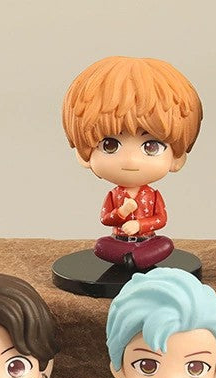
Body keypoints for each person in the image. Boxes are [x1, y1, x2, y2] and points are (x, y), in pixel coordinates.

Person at [62, 56, 203, 269]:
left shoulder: (152, 195)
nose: (130, 160)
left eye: (151, 146)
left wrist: (140, 224)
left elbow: (161, 219)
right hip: (118, 240)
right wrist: (121, 213)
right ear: (84, 154)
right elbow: (106, 219)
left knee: (165, 245)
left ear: (177, 158)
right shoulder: (114, 195)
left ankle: (136, 258)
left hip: (148, 240)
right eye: (110, 145)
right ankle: (131, 258)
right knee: (101, 246)